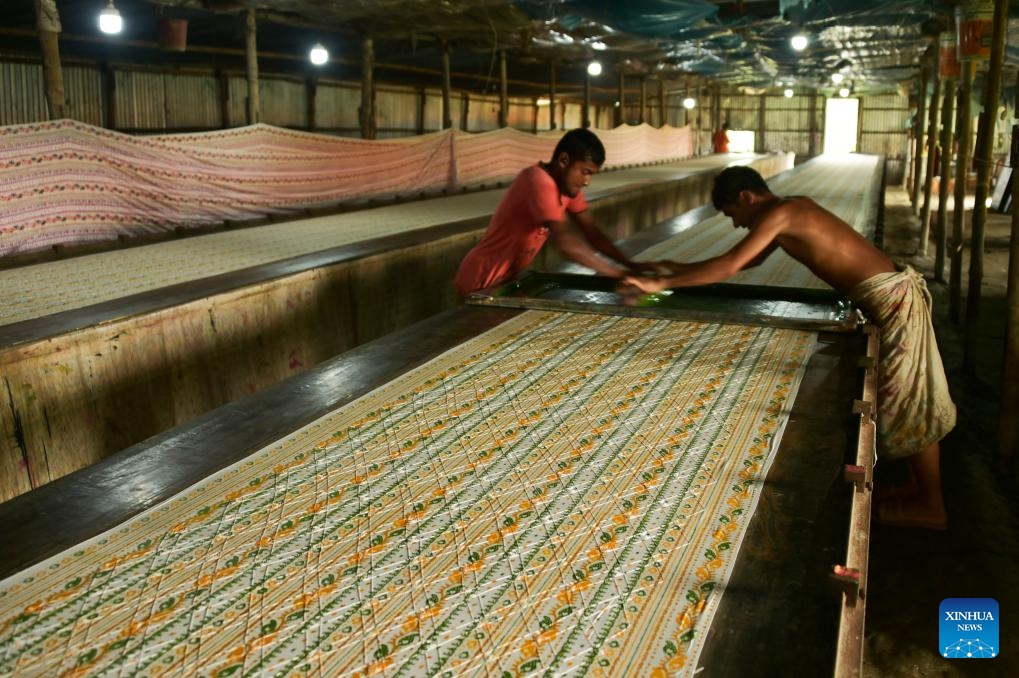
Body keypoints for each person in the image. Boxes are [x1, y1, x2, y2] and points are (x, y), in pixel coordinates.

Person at [620, 166, 957, 530]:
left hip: (894, 302)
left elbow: (730, 264)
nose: (736, 224)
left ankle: (931, 505)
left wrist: (660, 285)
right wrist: (671, 270)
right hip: (890, 295)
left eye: (732, 214)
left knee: (909, 398)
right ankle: (917, 486)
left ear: (747, 197)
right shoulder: (790, 210)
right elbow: (746, 261)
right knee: (904, 396)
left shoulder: (782, 214)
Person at [453, 128, 641, 296]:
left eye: (591, 174)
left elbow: (593, 233)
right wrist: (619, 275)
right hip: (479, 281)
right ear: (563, 160)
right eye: (584, 172)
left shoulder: (568, 189)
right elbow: (566, 242)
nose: (587, 181)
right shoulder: (537, 180)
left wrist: (632, 266)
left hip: (504, 282)